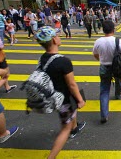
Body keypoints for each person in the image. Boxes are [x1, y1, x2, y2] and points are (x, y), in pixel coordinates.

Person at [35, 26, 86, 158]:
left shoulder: (43, 58)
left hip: (52, 96)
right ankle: (51, 156)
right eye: (57, 36)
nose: (59, 37)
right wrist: (80, 100)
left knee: (70, 115)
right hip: (64, 100)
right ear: (53, 40)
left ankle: (75, 127)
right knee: (65, 128)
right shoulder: (63, 61)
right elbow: (71, 84)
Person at [92, 20, 121, 123]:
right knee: (118, 80)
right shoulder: (117, 41)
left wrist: (101, 60)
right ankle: (117, 94)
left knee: (104, 90)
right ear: (113, 29)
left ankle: (104, 115)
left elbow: (95, 54)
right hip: (116, 66)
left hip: (104, 67)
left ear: (103, 30)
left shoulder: (98, 41)